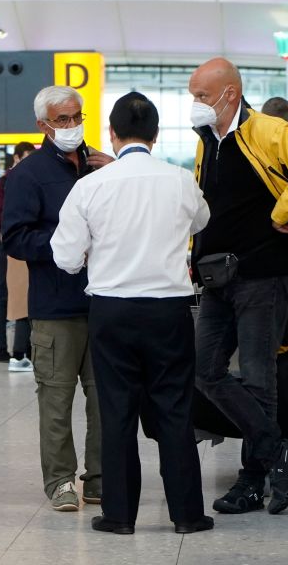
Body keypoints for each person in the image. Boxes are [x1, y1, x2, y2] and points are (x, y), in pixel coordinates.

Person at [52, 92, 213, 536]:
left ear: (112, 134)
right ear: (156, 135)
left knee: (117, 411)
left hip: (112, 311)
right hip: (169, 311)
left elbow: (64, 256)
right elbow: (201, 221)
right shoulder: (180, 180)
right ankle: (187, 515)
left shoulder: (90, 186)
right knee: (175, 410)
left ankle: (120, 516)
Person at [189, 57, 288, 516]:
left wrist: (283, 213)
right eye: (193, 95)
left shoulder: (266, 131)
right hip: (219, 278)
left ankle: (252, 480)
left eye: (201, 95)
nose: (195, 104)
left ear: (230, 93)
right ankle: (280, 450)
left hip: (264, 276)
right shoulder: (207, 142)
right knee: (205, 369)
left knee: (258, 377)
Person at [3, 85, 114, 512]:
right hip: (54, 307)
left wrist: (117, 169)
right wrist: (68, 242)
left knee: (105, 398)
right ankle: (60, 481)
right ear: (43, 126)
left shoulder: (101, 166)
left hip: (104, 300)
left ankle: (101, 478)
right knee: (56, 399)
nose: (71, 126)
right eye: (62, 120)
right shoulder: (28, 176)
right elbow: (15, 238)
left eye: (76, 117)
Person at [0, 141, 37, 367]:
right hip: (7, 247)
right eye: (26, 158)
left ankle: (23, 349)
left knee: (23, 296)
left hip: (26, 246)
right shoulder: (1, 185)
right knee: (4, 296)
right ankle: (1, 348)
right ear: (16, 158)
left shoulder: (31, 182)